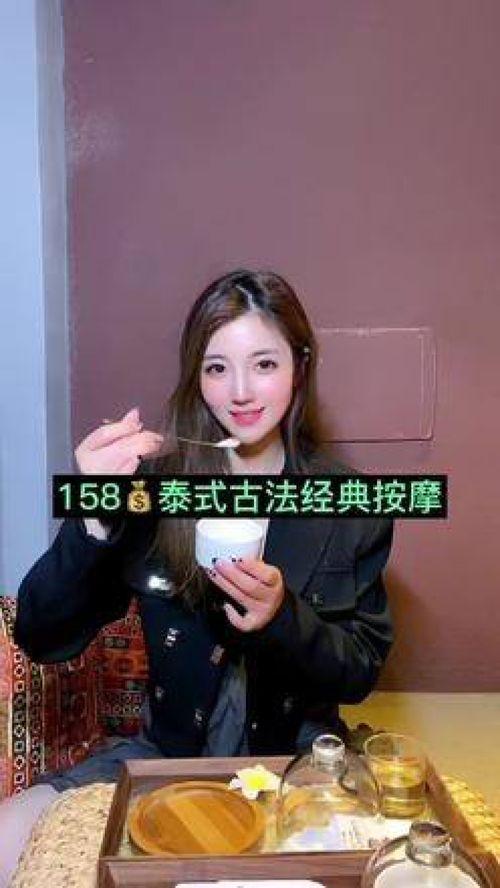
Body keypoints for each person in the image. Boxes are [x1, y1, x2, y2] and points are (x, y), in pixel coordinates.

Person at [1, 269, 393, 882]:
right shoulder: (156, 489)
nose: (240, 391)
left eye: (264, 364)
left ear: (300, 365)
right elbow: (41, 634)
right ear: (196, 376)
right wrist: (95, 517)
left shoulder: (349, 502)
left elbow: (360, 670)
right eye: (216, 368)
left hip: (294, 766)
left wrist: (282, 618)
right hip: (166, 757)